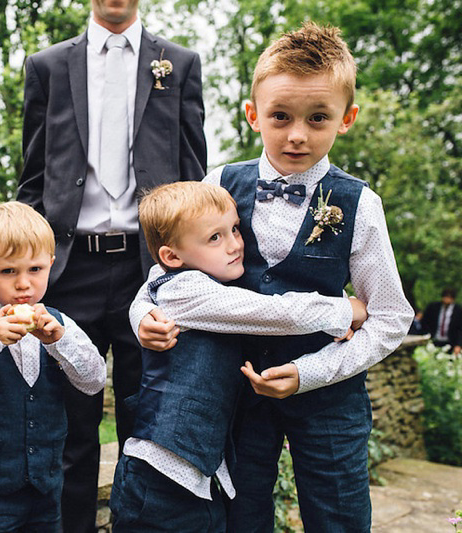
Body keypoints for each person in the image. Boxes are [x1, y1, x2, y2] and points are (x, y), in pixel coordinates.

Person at [135, 22, 413, 531]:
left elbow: (392, 318)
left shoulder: (360, 205)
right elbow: (165, 270)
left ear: (346, 119)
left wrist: (311, 374)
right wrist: (142, 318)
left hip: (331, 397)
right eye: (280, 116)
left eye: (318, 118)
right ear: (253, 115)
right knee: (242, 516)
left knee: (339, 516)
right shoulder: (220, 182)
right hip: (235, 394)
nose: (298, 134)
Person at [17, 0, 207, 528]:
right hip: (68, 272)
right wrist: (26, 266)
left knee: (145, 425)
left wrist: (189, 273)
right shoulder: (47, 66)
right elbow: (33, 178)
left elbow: (193, 176)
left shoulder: (180, 64)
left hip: (148, 274)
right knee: (69, 431)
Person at [110, 181, 368, 532]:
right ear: (172, 256)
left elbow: (155, 282)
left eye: (234, 229)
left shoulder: (187, 278)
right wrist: (344, 310)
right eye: (214, 238)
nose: (234, 245)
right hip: (162, 475)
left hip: (198, 473)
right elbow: (275, 313)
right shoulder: (186, 290)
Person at [0, 201, 106, 532]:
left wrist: (59, 341)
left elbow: (94, 380)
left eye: (35, 270)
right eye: (8, 271)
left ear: (51, 265)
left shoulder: (60, 323)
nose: (24, 284)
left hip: (47, 490)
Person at [418, 288, 462, 354]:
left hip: (451, 342)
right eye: (445, 297)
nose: (447, 299)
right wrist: (425, 335)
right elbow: (425, 322)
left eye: (449, 297)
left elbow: (460, 329)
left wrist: (458, 345)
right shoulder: (433, 307)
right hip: (434, 340)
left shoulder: (458, 311)